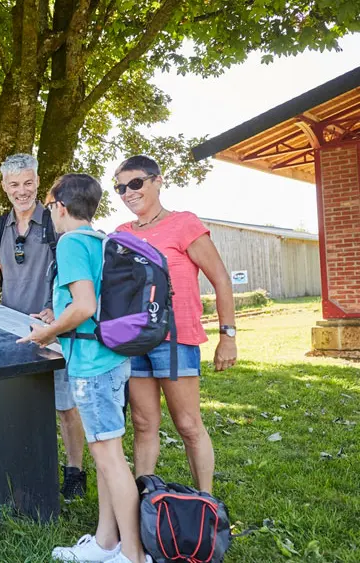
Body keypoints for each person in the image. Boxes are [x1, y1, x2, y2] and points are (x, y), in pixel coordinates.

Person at [21, 174, 148, 563]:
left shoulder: (71, 242)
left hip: (92, 367)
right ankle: (105, 542)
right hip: (111, 358)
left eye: (49, 206)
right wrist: (56, 316)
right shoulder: (99, 240)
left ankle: (133, 554)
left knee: (110, 459)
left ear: (60, 206)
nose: (48, 214)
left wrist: (47, 333)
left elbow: (85, 306)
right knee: (107, 456)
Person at [0, 153, 88, 500]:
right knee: (17, 404)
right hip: (13, 334)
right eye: (14, 184)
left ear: (38, 182)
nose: (22, 191)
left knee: (65, 406)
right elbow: (2, 273)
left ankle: (75, 473)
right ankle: (23, 468)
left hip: (55, 329)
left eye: (28, 183)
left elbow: (74, 272)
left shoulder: (56, 221)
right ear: (4, 186)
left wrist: (56, 309)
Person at [113, 155, 237, 494]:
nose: (128, 193)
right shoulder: (121, 234)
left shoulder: (184, 224)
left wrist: (228, 336)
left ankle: (206, 502)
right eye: (121, 188)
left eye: (135, 183)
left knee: (188, 424)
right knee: (143, 423)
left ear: (157, 181)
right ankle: (144, 501)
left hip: (175, 340)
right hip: (135, 341)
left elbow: (221, 280)